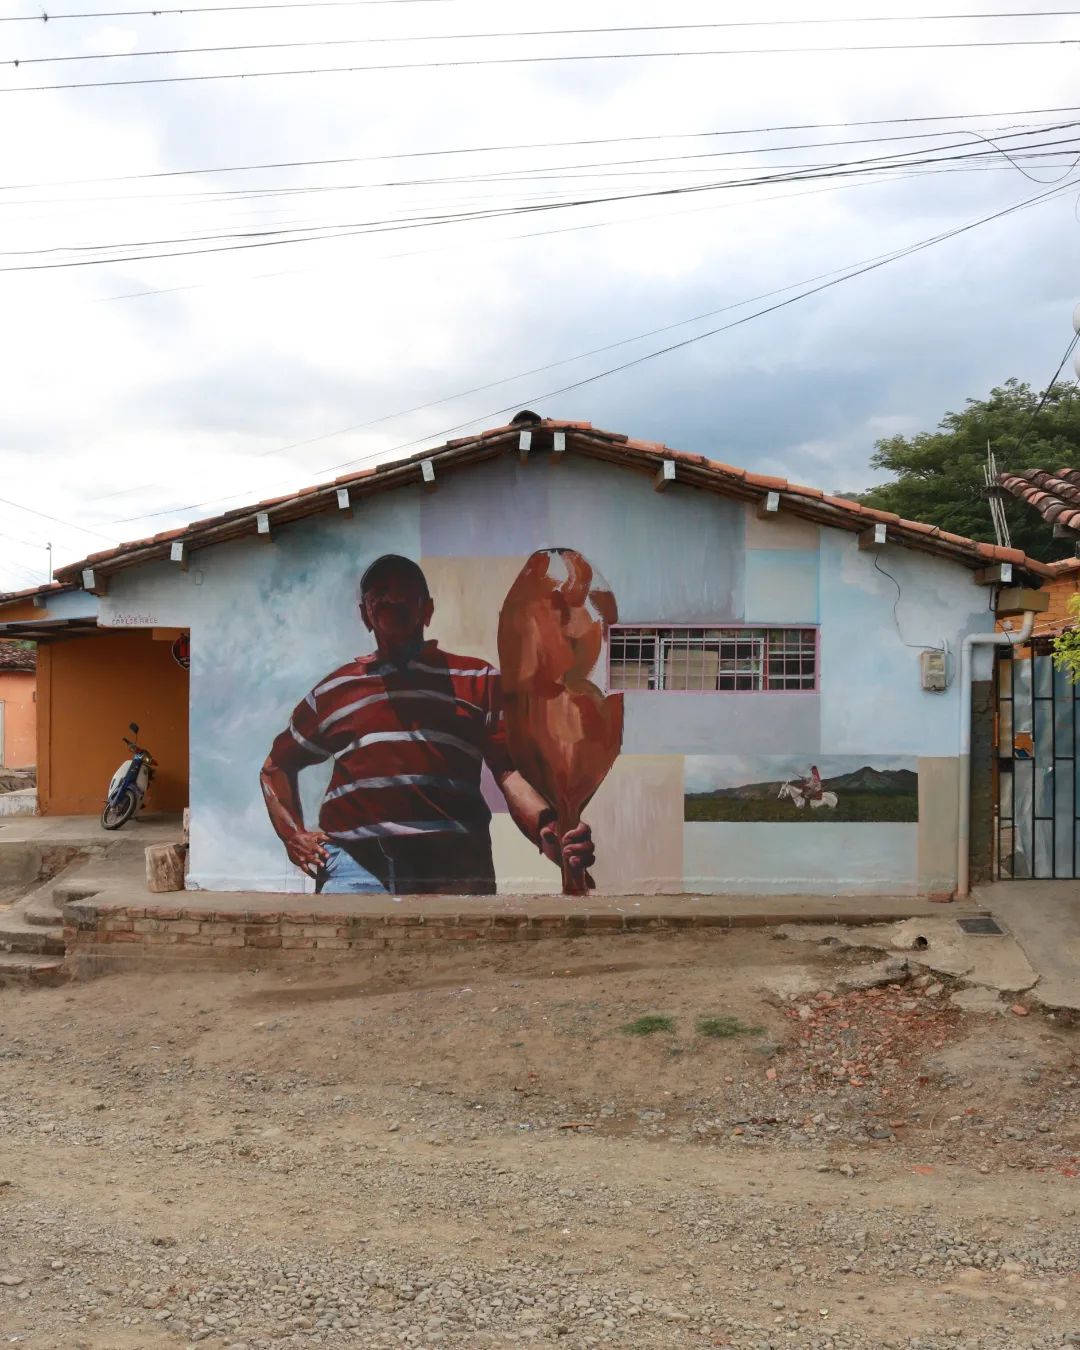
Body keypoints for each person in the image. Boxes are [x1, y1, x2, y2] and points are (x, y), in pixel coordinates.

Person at [259, 554, 594, 894]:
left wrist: (547, 829)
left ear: (427, 610)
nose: (391, 598)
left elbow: (509, 773)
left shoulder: (477, 680)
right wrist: (292, 835)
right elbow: (275, 767)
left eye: (404, 590)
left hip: (455, 866)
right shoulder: (335, 691)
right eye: (379, 592)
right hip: (355, 868)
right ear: (365, 615)